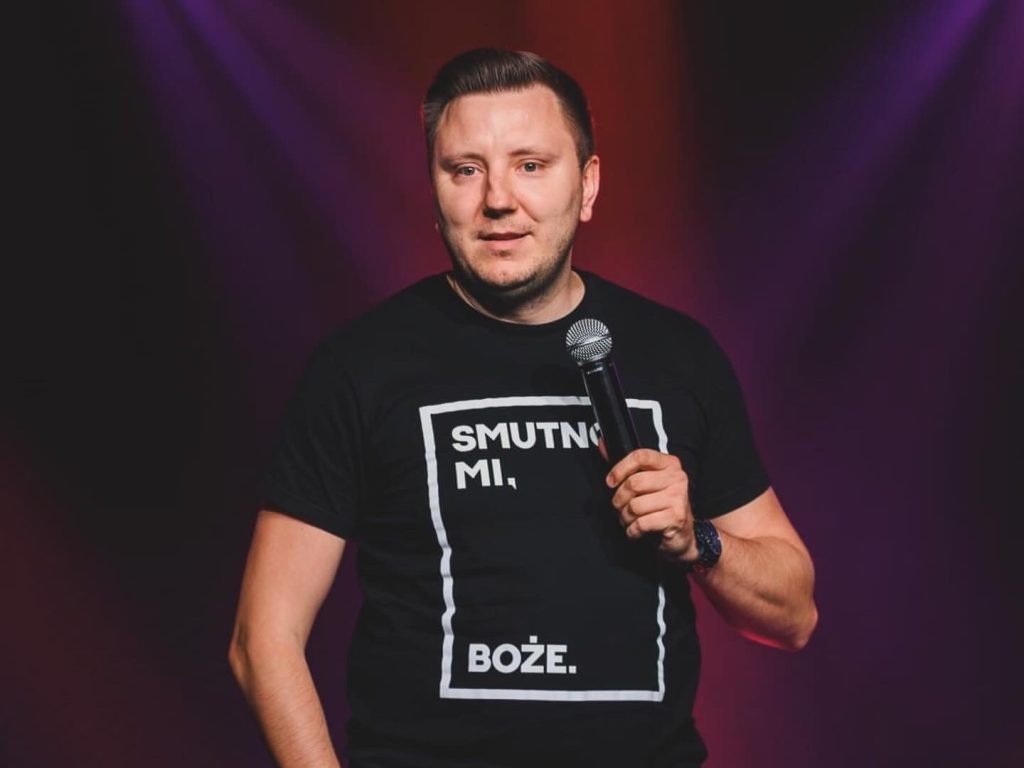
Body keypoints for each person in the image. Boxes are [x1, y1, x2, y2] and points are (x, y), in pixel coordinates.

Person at [228, 48, 817, 768]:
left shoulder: (679, 355)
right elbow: (263, 639)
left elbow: (793, 615)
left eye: (531, 165)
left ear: (588, 184)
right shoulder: (361, 365)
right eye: (465, 170)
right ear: (433, 187)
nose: (498, 199)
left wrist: (697, 540)